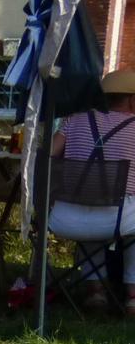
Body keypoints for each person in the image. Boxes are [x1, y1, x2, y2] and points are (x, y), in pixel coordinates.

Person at [46, 67, 135, 313]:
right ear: (132, 99)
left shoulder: (73, 120)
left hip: (66, 217)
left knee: (93, 208)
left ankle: (95, 292)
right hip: (116, 220)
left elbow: (49, 155)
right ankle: (132, 296)